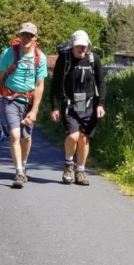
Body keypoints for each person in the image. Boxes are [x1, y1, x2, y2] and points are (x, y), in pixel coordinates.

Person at [0, 22, 49, 189]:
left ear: (35, 38)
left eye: (30, 35)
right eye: (24, 34)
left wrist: (35, 110)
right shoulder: (9, 53)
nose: (26, 38)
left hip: (29, 102)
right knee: (15, 135)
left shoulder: (40, 57)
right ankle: (19, 172)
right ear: (19, 35)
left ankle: (23, 164)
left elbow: (40, 86)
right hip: (10, 99)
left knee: (26, 137)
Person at [50, 29, 106, 185]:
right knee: (73, 136)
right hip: (69, 103)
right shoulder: (64, 59)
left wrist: (100, 104)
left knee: (83, 137)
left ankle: (80, 171)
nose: (81, 49)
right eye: (78, 46)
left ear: (88, 46)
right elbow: (55, 85)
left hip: (88, 103)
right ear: (72, 46)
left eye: (84, 46)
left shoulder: (94, 59)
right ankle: (69, 165)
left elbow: (101, 83)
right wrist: (54, 107)